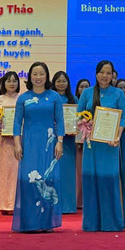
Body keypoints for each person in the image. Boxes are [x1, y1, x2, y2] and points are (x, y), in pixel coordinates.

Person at [11, 62, 64, 232]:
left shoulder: (54, 97)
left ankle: (46, 223)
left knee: (48, 180)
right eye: (35, 74)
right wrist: (17, 144)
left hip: (49, 145)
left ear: (47, 76)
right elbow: (17, 122)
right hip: (29, 145)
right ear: (30, 76)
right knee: (28, 180)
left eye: (42, 74)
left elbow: (60, 121)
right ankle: (29, 223)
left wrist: (60, 141)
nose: (38, 77)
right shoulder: (23, 98)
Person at [78, 60, 125, 232]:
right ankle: (91, 223)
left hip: (110, 144)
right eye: (102, 72)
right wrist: (86, 124)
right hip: (92, 145)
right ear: (96, 73)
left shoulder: (118, 94)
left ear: (113, 75)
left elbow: (122, 118)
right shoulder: (87, 93)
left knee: (109, 181)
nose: (105, 76)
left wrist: (117, 136)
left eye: (108, 73)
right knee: (91, 181)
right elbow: (78, 116)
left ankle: (111, 222)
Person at [0, 72, 20, 215]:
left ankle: (13, 204)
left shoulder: (22, 99)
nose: (12, 83)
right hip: (2, 141)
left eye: (15, 81)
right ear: (3, 83)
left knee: (15, 173)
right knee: (1, 172)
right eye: (9, 81)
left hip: (17, 141)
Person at [52, 70, 78, 214]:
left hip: (69, 142)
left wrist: (74, 129)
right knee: (54, 172)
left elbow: (79, 119)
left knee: (67, 174)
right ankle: (55, 205)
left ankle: (68, 206)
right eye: (58, 81)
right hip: (53, 140)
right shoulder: (51, 98)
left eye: (64, 81)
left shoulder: (73, 99)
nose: (61, 84)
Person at [74, 78, 90, 209]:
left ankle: (85, 200)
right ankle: (77, 199)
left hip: (90, 142)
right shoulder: (73, 102)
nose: (84, 89)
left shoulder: (91, 103)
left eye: (86, 86)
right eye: (81, 86)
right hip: (74, 142)